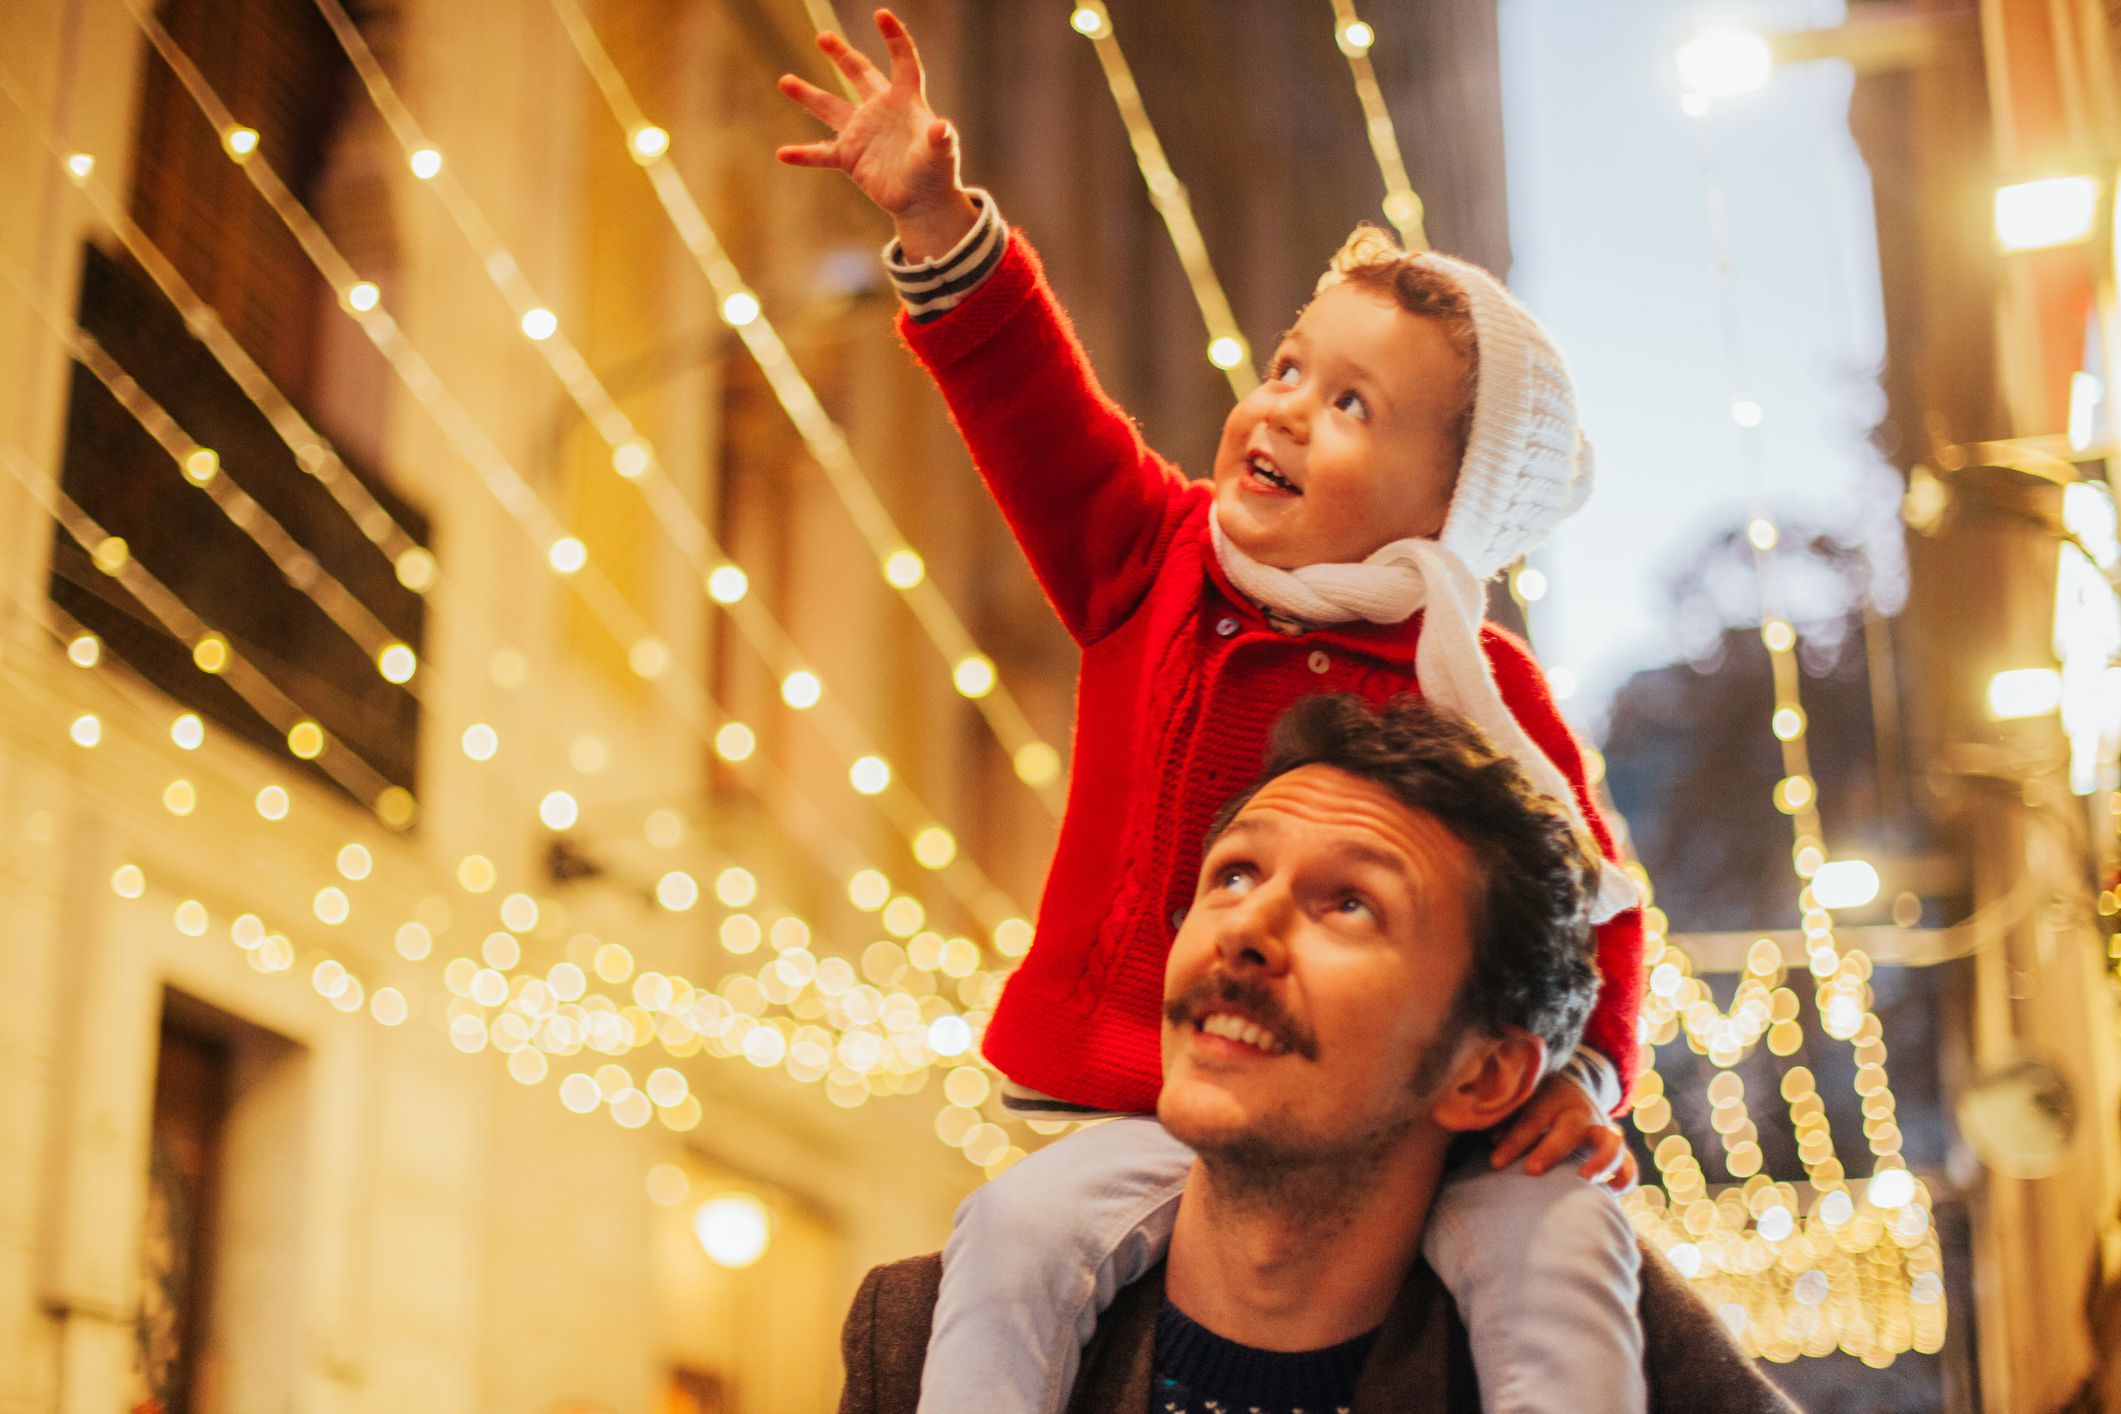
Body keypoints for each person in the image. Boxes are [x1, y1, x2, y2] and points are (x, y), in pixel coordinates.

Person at [778, 13, 1650, 1412]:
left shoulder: (1468, 677)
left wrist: (1589, 1073)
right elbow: (1032, 405)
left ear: (1451, 503)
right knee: (1011, 1236)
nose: (1287, 411)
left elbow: (1598, 897)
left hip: (1418, 1121)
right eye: (1292, 367)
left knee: (1561, 1245)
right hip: (1147, 1096)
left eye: (1353, 404)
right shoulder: (1154, 561)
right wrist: (939, 220)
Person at [835, 696, 1795, 1413]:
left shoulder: (1637, 1377)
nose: (1245, 925)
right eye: (1236, 873)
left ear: (1485, 1074)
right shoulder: (921, 1341)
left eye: (1351, 904)